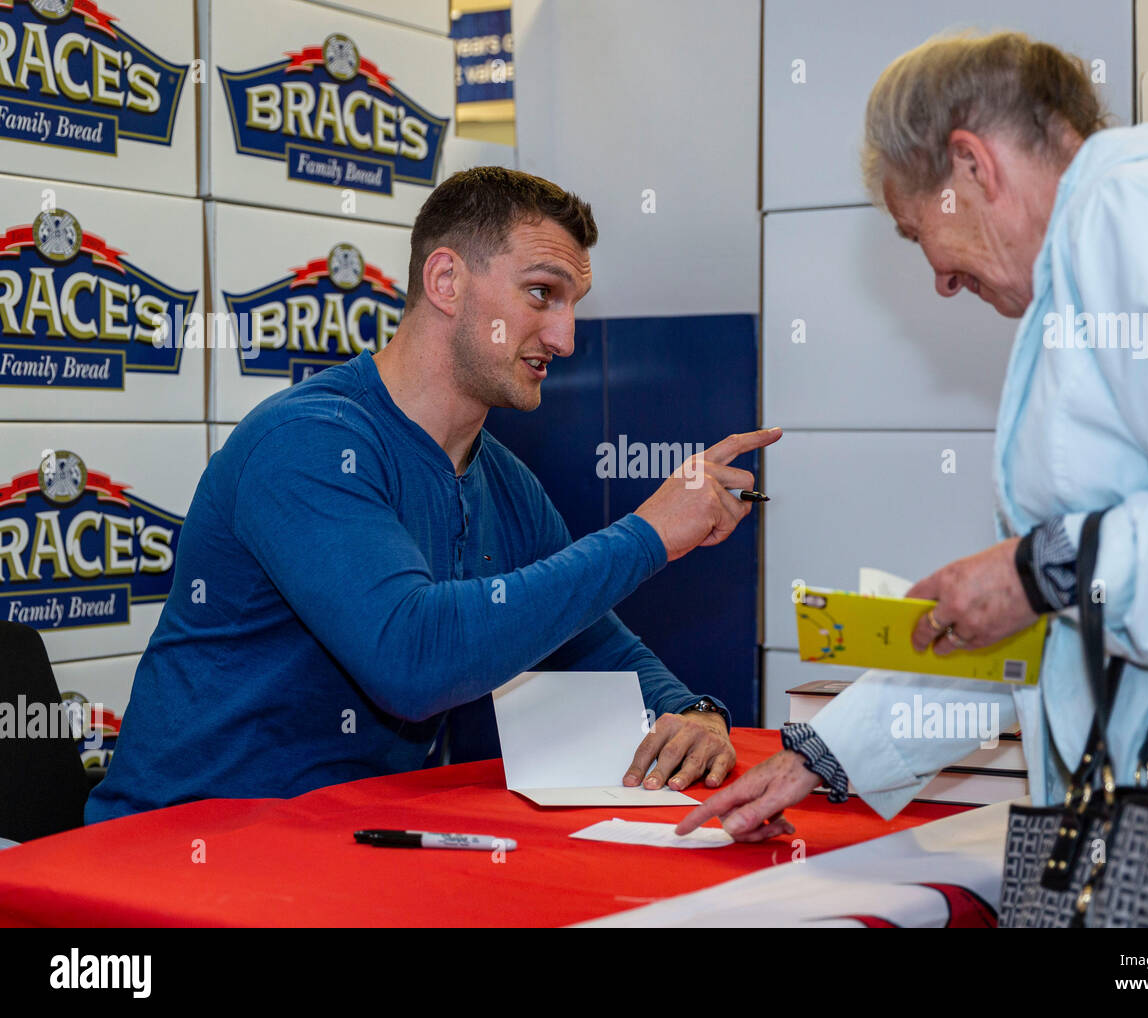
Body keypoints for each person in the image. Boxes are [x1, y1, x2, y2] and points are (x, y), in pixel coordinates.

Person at [678, 31, 1148, 924]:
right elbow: (1052, 606)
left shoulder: (1139, 209)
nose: (935, 275)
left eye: (913, 227)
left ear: (970, 165)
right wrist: (827, 754)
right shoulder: (1136, 227)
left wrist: (1033, 570)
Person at [87, 168, 781, 822]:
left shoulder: (501, 477)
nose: (566, 338)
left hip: (348, 852)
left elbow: (590, 639)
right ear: (446, 280)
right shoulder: (306, 443)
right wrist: (649, 532)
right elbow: (411, 659)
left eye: (573, 306)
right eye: (542, 294)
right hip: (185, 854)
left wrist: (693, 712)